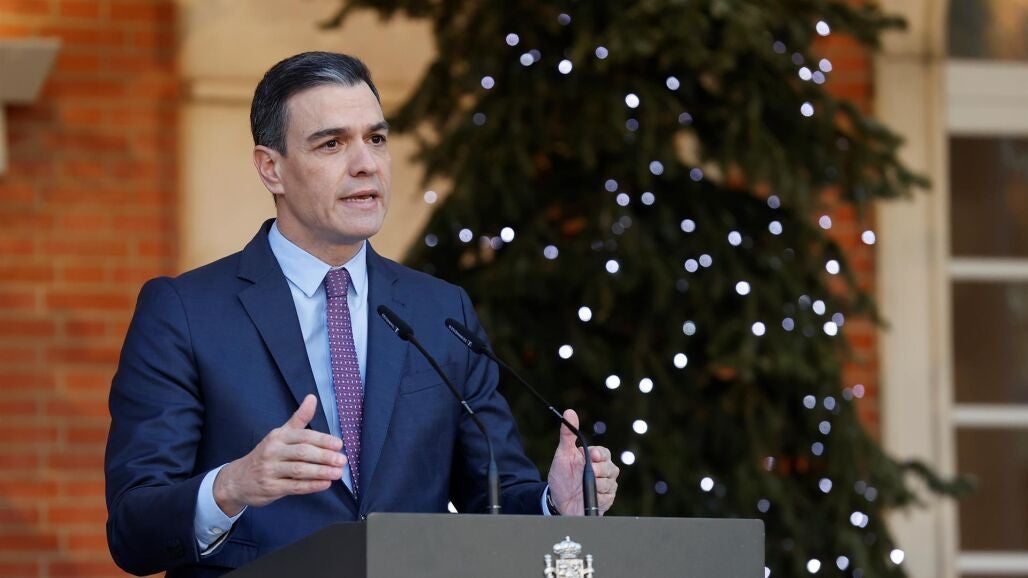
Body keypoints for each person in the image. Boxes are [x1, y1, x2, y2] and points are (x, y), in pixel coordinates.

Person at [105, 51, 619, 577]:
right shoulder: (185, 312)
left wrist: (554, 505)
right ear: (271, 168)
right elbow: (132, 529)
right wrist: (232, 485)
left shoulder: (440, 310)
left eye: (376, 139)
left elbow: (493, 493)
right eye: (331, 144)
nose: (365, 164)